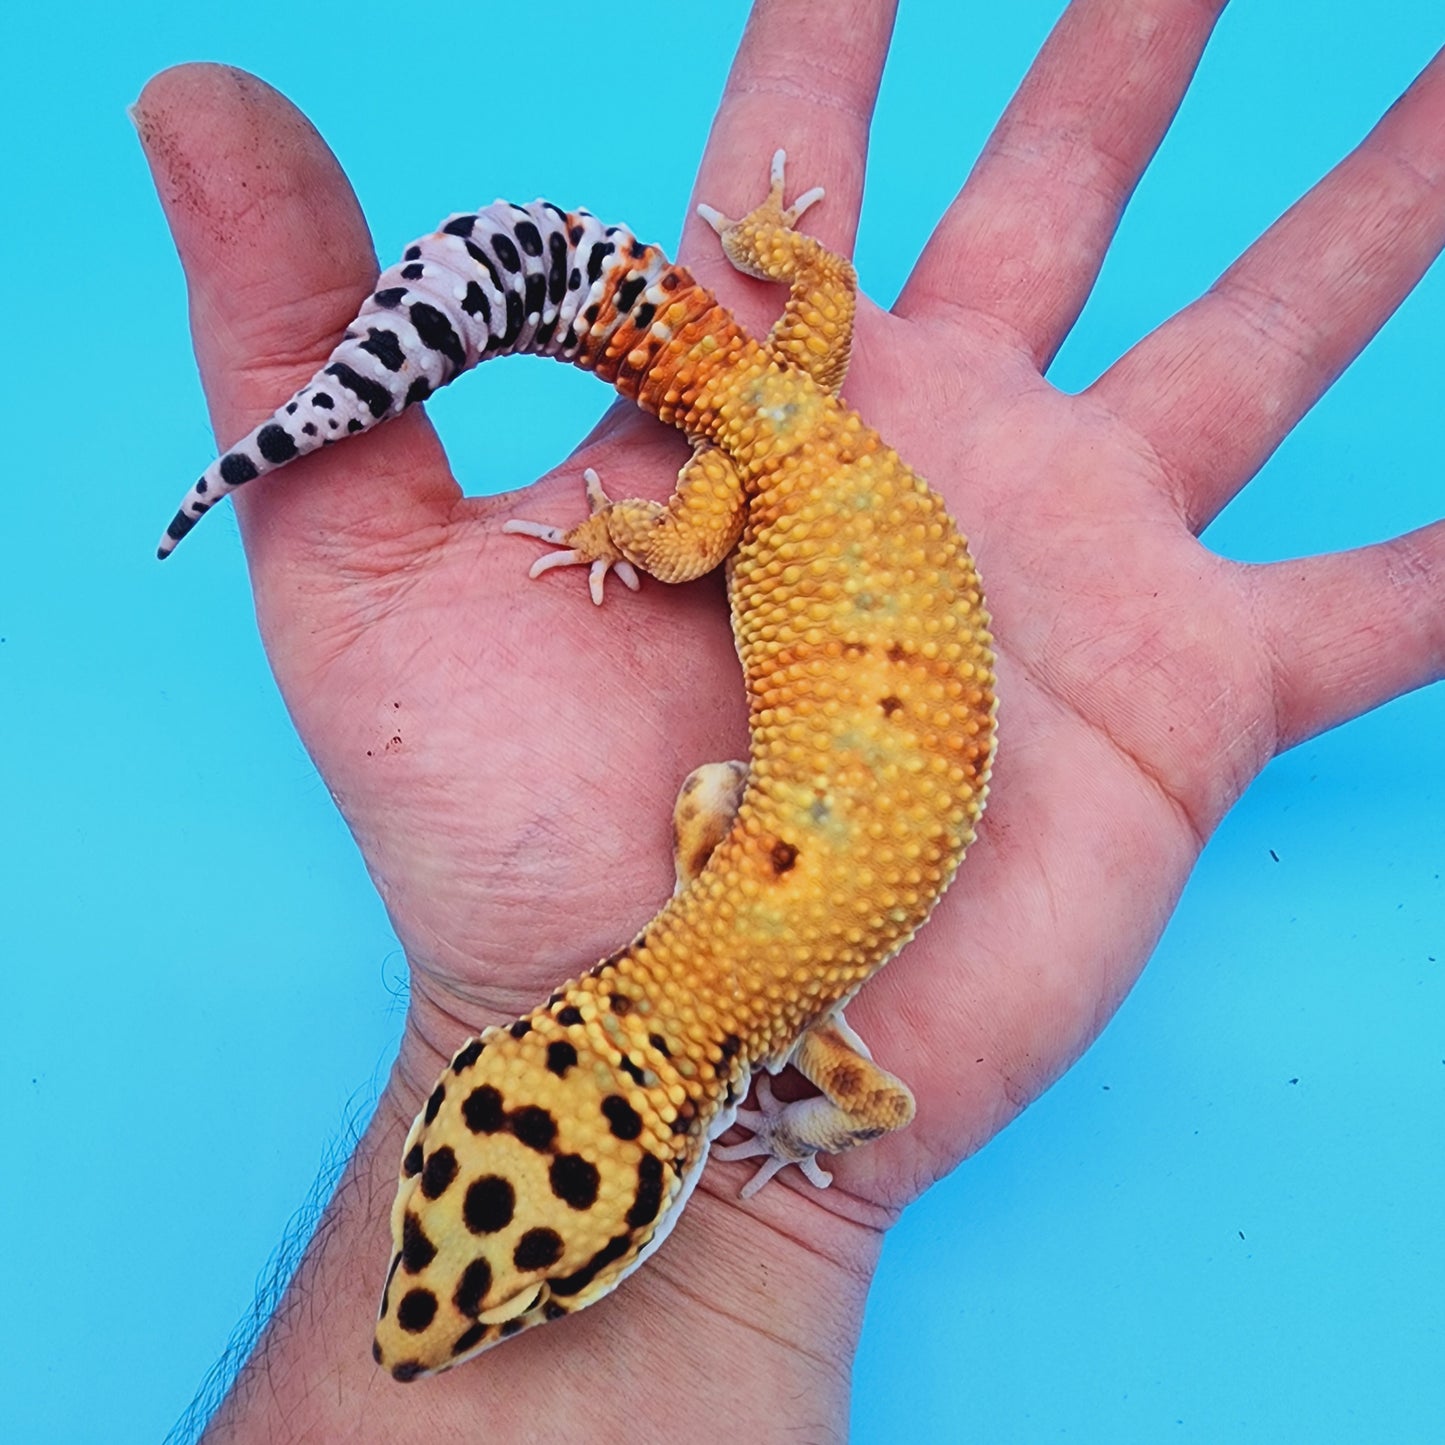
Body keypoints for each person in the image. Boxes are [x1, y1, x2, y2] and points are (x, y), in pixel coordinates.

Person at [133, 0, 1443, 1437]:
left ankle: (593, 342)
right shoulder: (702, 907)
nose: (435, 1321)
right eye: (519, 1285)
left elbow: (853, 1088)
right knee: (686, 532)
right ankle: (631, 309)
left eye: (510, 1287)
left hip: (802, 495)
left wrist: (790, 1117)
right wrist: (728, 342)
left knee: (688, 541)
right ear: (530, 1039)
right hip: (805, 469)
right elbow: (709, 804)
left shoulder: (796, 1030)